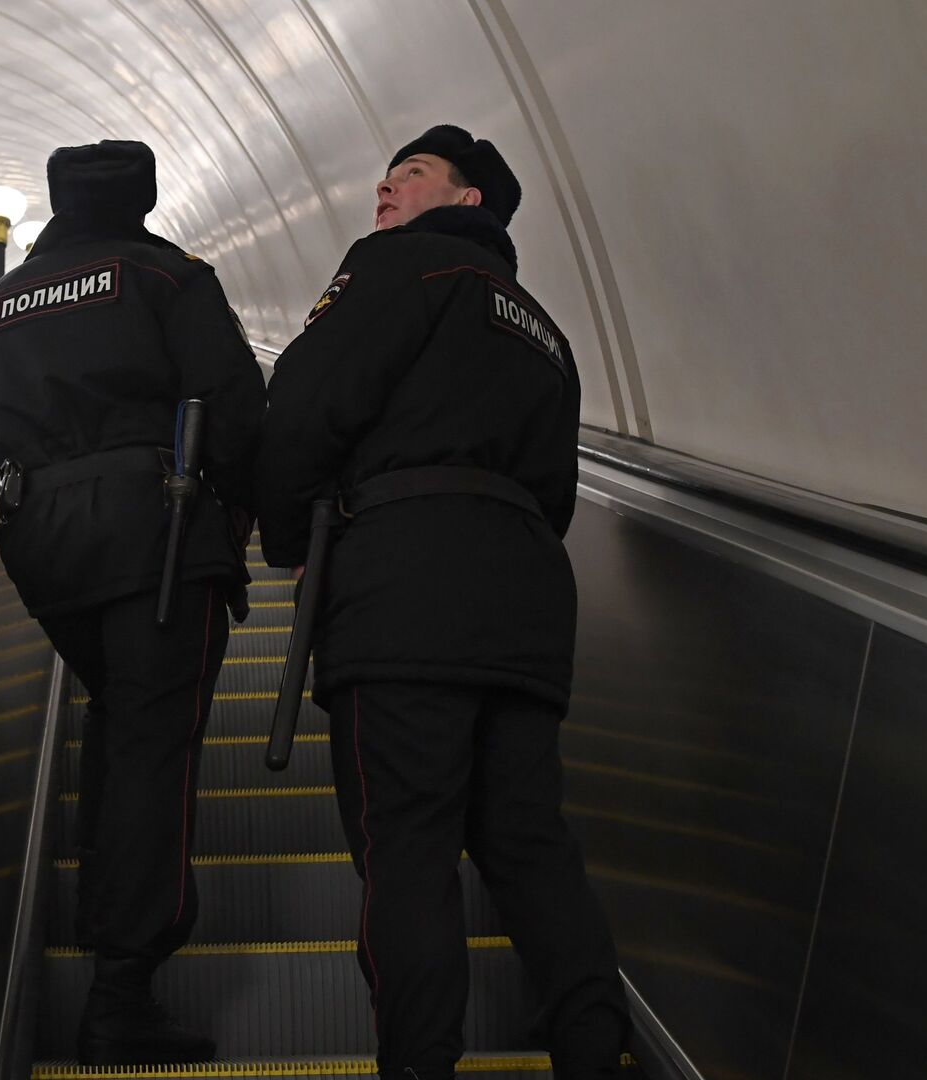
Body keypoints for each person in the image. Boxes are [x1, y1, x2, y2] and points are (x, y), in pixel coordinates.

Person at [254, 125, 628, 1079]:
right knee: (533, 850)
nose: (384, 191)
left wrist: (294, 548)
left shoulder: (396, 270)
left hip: (402, 602)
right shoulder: (544, 327)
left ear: (466, 202)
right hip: (528, 612)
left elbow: (302, 401)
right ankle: (593, 1051)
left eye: (410, 176)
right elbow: (556, 491)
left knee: (408, 855)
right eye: (383, 177)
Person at [0, 140, 266, 1066]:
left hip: (44, 545)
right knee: (155, 743)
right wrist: (254, 524)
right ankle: (120, 993)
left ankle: (100, 915)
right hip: (159, 535)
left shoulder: (0, 303)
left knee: (121, 713)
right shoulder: (169, 276)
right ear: (143, 198)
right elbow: (235, 405)